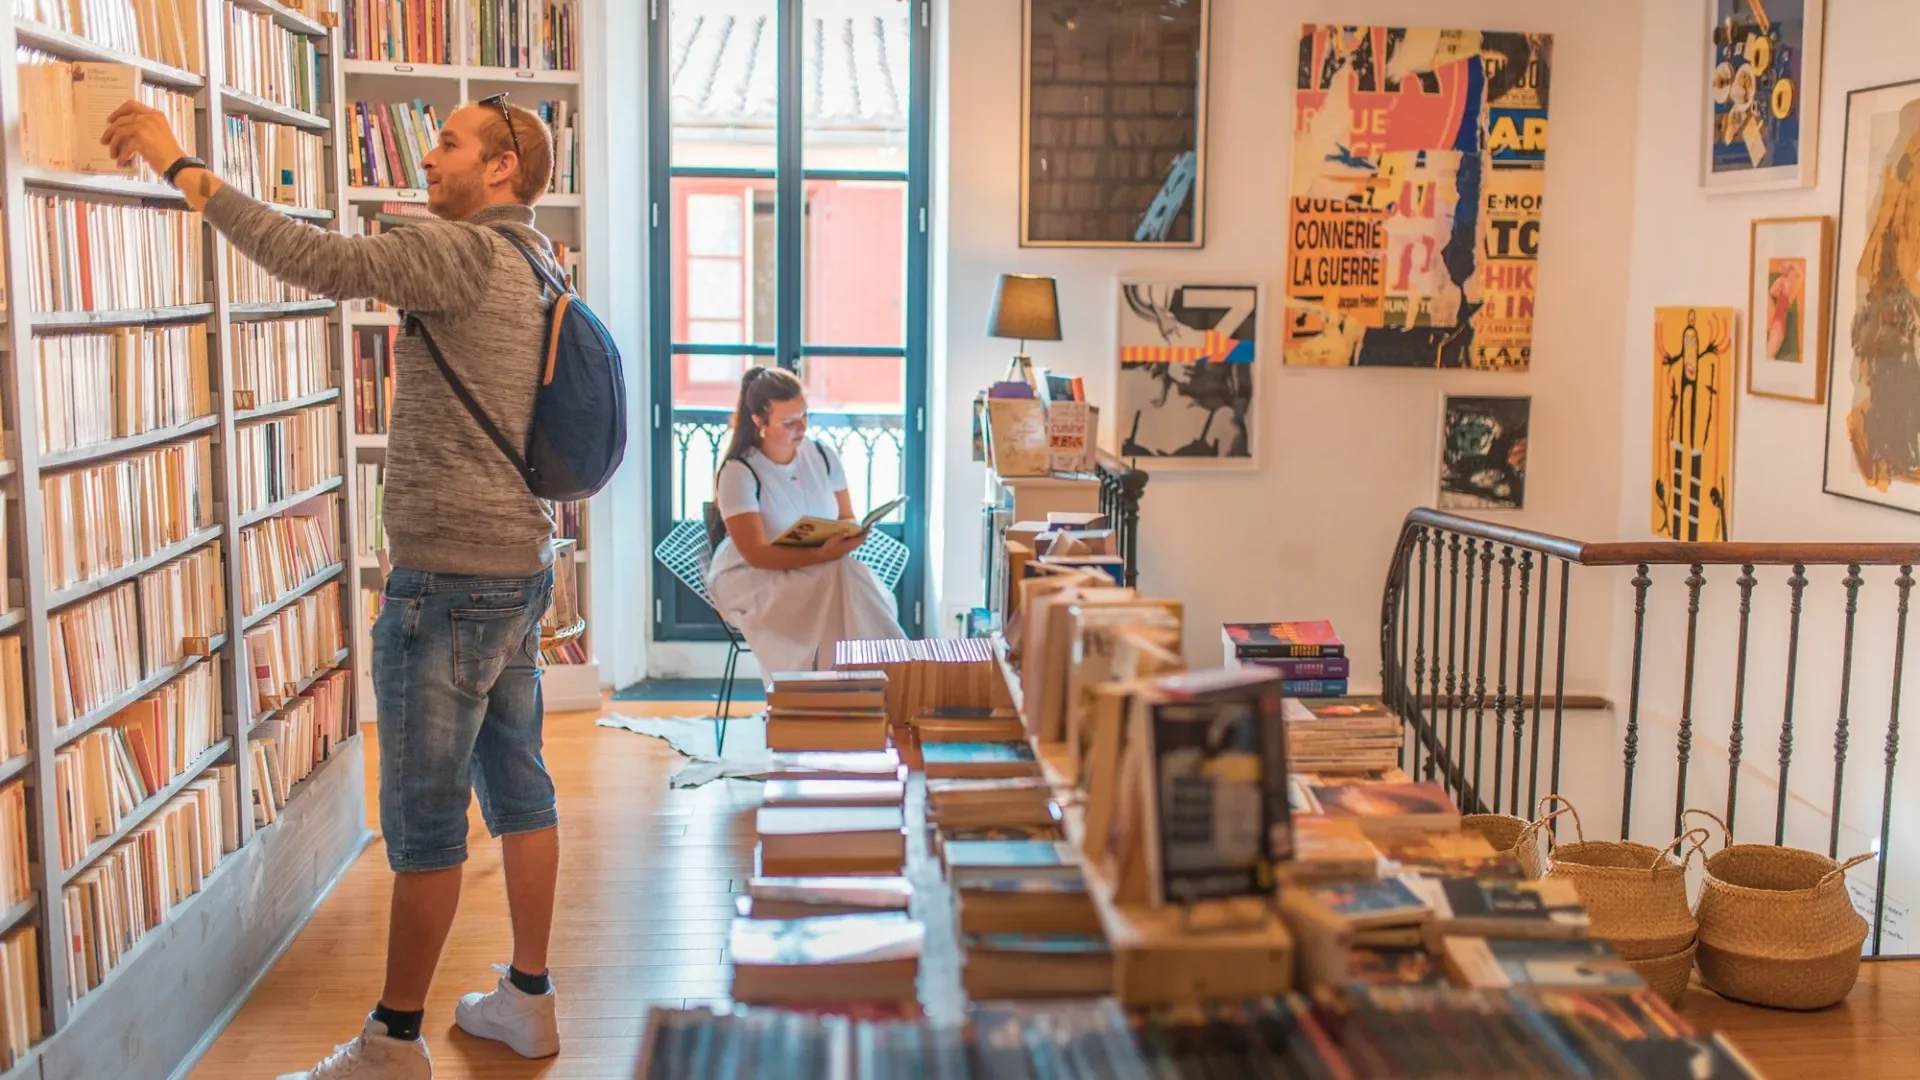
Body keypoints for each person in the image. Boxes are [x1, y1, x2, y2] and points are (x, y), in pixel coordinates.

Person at [105, 94, 569, 1079]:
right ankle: (528, 1001)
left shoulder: (459, 254)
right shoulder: (538, 263)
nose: (426, 161)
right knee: (522, 792)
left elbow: (311, 259)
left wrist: (181, 165)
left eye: (447, 144)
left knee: (428, 821)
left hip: (445, 580)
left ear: (500, 169)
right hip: (520, 567)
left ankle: (391, 1044)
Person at [706, 367, 906, 675]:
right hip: (754, 576)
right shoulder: (738, 472)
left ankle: (857, 680)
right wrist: (823, 554)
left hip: (816, 566)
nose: (801, 427)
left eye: (805, 416)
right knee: (843, 578)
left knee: (843, 575)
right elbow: (756, 554)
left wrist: (848, 534)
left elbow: (846, 516)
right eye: (788, 422)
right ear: (759, 421)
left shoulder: (824, 455)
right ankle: (893, 671)